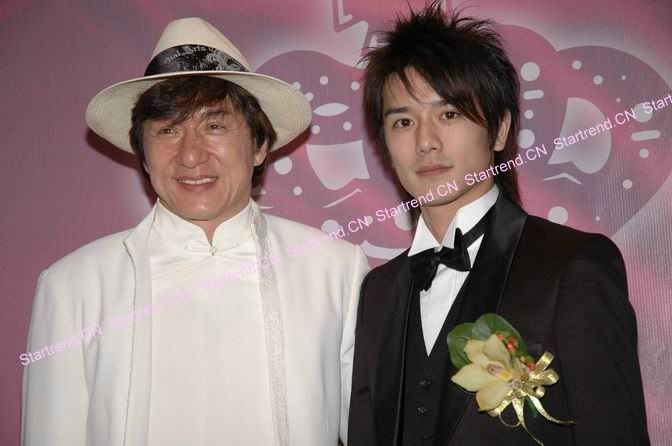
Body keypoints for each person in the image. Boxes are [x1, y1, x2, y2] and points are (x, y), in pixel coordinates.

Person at [21, 17, 368, 446]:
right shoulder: (74, 286)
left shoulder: (335, 270)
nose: (190, 155)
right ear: (142, 154)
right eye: (168, 130)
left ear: (260, 146)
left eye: (215, 126)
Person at [346, 3, 649, 445]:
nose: (425, 142)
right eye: (404, 121)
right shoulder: (377, 291)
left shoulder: (572, 265)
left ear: (500, 129)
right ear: (384, 144)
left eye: (449, 114)